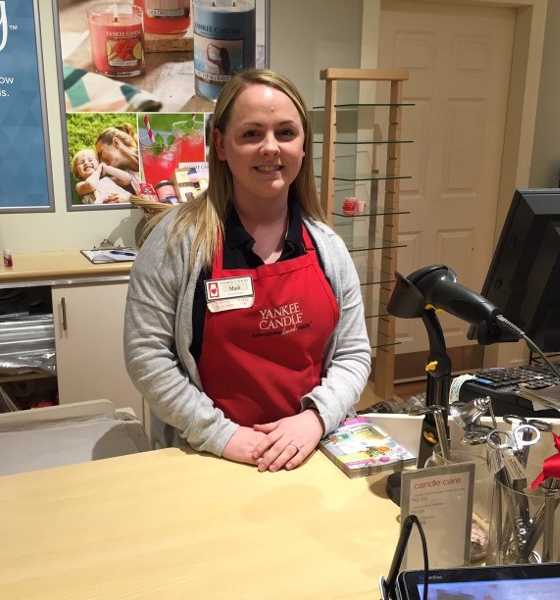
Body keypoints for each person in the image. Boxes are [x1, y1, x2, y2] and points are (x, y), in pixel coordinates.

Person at [123, 69, 371, 473]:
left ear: (304, 145)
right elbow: (147, 357)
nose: (271, 147)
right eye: (252, 134)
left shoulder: (328, 247)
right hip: (208, 456)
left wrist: (315, 418)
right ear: (221, 145)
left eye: (285, 133)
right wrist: (222, 435)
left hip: (311, 453)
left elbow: (353, 353)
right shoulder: (175, 242)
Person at [94, 123, 141, 194]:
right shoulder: (128, 180)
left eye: (101, 153)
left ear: (116, 143)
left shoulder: (150, 149)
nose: (101, 161)